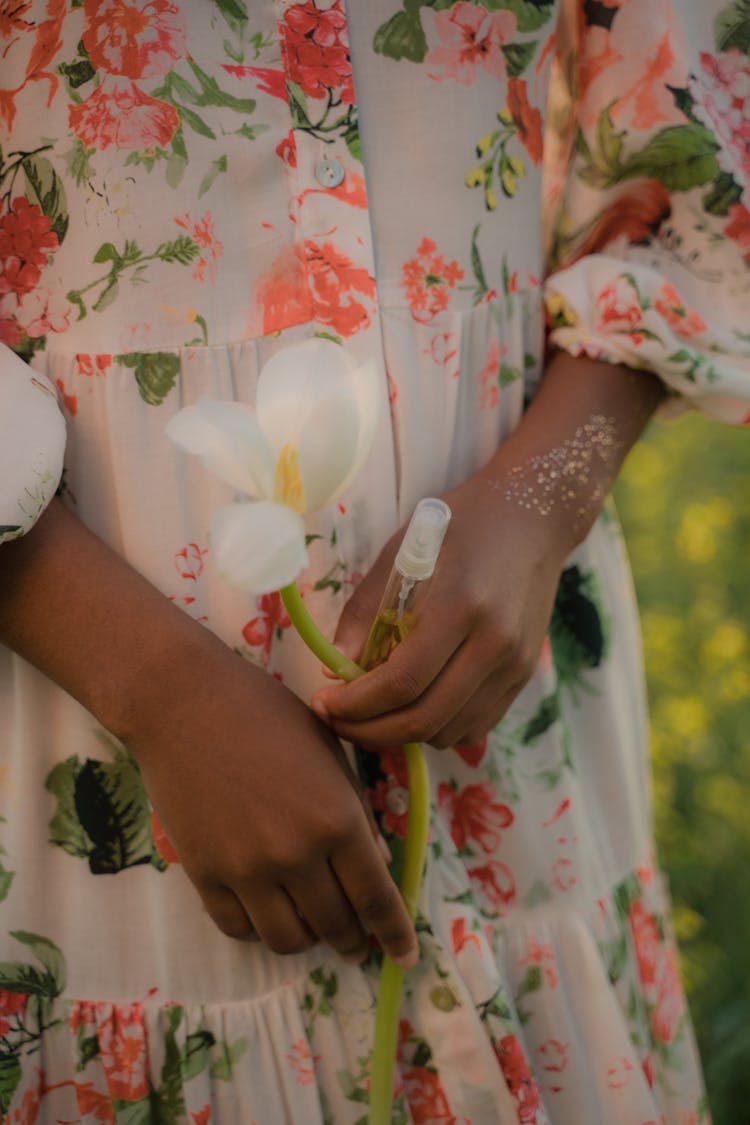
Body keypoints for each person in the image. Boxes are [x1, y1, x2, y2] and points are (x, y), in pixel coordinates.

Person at [1, 0, 748, 1120]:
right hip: (69, 657)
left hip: (504, 669)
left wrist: (540, 506)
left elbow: (692, 171)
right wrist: (154, 690)